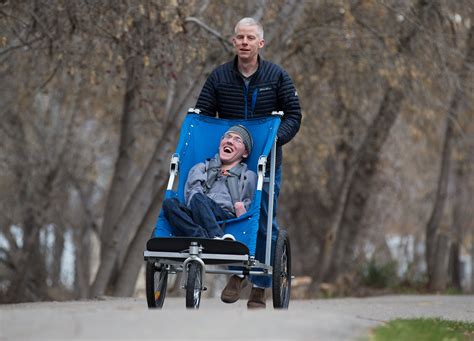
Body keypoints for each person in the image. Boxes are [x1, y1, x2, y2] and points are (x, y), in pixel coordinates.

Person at [195, 17, 302, 308]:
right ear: (234, 42)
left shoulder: (277, 77)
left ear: (260, 43)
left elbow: (294, 115)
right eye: (240, 37)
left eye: (250, 38)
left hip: (266, 162)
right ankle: (237, 273)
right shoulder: (219, 77)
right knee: (232, 213)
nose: (244, 42)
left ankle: (260, 286)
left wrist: (274, 139)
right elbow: (203, 116)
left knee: (264, 220)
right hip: (231, 164)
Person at [162, 125, 257, 240]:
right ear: (220, 144)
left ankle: (214, 236)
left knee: (198, 198)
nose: (230, 141)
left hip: (225, 215)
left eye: (237, 140)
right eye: (227, 137)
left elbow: (247, 208)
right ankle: (203, 238)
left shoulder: (248, 176)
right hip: (197, 211)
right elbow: (192, 195)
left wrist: (241, 208)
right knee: (169, 203)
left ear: (245, 153)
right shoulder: (202, 168)